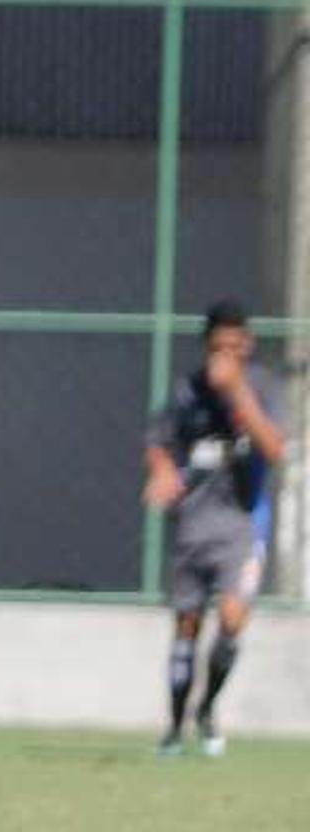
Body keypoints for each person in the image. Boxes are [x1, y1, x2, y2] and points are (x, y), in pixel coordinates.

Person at [143, 300, 285, 756]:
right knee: (186, 625)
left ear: (248, 344)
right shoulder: (188, 391)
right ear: (206, 346)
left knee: (230, 618)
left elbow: (274, 448)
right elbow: (159, 440)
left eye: (234, 346)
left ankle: (207, 709)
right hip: (193, 523)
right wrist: (162, 470)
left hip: (243, 524)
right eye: (217, 347)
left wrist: (238, 392)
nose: (226, 355)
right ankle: (174, 727)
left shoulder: (262, 387)